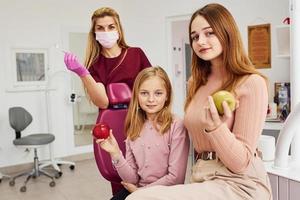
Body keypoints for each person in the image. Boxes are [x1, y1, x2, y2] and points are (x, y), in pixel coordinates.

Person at [126, 3, 272, 200]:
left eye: (209, 33)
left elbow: (241, 163)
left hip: (239, 183)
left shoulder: (252, 83)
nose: (200, 41)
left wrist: (216, 128)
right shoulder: (195, 82)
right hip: (202, 177)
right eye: (195, 37)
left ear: (227, 32)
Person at [97, 67, 190, 200]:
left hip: (166, 193)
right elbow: (132, 178)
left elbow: (176, 178)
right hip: (137, 190)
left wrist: (141, 192)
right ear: (137, 96)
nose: (151, 99)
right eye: (144, 93)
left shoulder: (176, 125)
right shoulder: (134, 127)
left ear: (167, 96)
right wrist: (115, 153)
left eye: (158, 93)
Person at [64, 7, 151, 109]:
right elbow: (103, 103)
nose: (106, 32)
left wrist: (166, 114)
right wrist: (83, 74)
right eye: (100, 28)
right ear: (94, 33)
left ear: (118, 29)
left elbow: (154, 88)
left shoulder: (136, 54)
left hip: (138, 118)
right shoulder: (95, 64)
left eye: (111, 27)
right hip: (111, 120)